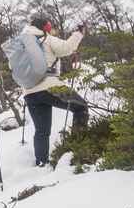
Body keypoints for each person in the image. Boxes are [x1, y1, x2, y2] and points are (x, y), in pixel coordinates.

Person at [21, 15, 88, 167]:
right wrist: (78, 34)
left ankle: (41, 162)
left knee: (41, 130)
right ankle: (80, 148)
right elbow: (66, 48)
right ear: (44, 27)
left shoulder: (21, 43)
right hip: (50, 86)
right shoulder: (45, 38)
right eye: (49, 26)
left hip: (29, 92)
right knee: (81, 107)